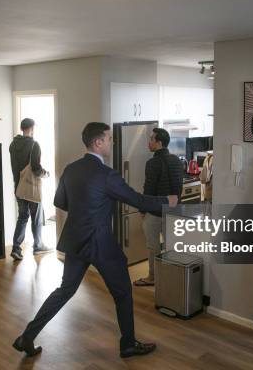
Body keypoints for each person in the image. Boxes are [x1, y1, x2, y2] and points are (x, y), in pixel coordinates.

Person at [13, 122, 178, 358]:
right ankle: (128, 344)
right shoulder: (107, 175)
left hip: (75, 239)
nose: (112, 142)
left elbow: (60, 202)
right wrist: (167, 201)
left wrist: (86, 209)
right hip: (100, 243)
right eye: (109, 138)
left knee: (64, 291)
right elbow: (138, 200)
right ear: (98, 142)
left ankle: (27, 337)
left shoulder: (71, 169)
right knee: (122, 293)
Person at [134, 128, 182, 287]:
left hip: (155, 212)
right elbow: (178, 189)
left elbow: (149, 190)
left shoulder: (152, 163)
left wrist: (142, 210)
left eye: (151, 139)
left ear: (159, 142)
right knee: (171, 246)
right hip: (173, 211)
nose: (149, 142)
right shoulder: (176, 160)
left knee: (153, 247)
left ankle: (152, 277)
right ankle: (172, 278)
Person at [9, 117, 51, 260]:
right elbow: (35, 168)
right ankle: (38, 245)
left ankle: (16, 248)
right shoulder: (34, 145)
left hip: (19, 187)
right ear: (32, 128)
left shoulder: (13, 144)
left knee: (22, 217)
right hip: (31, 187)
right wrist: (46, 174)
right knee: (36, 217)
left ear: (22, 128)